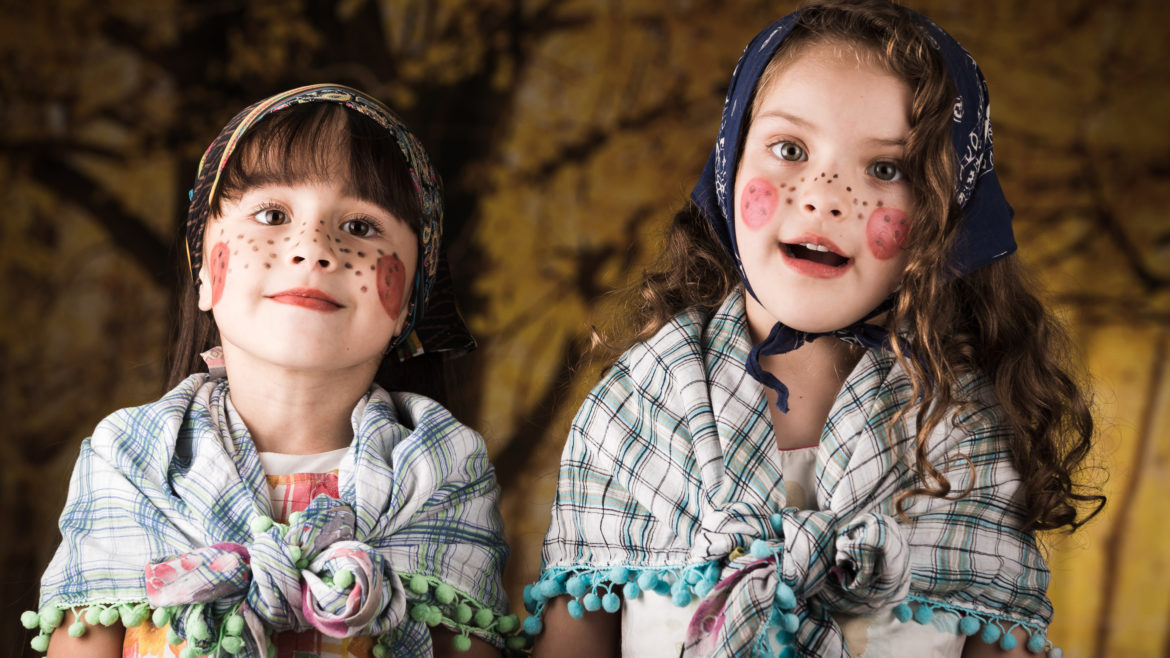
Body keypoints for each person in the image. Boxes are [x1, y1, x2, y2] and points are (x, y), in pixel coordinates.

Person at [523, 1, 1103, 656]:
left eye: (886, 169)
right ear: (729, 163)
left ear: (946, 218)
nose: (825, 195)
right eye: (790, 149)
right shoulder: (632, 410)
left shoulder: (964, 440)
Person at [21, 84, 518, 658]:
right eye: (272, 214)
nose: (313, 247)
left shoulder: (445, 474)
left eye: (361, 226)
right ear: (206, 269)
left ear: (410, 301)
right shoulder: (129, 461)